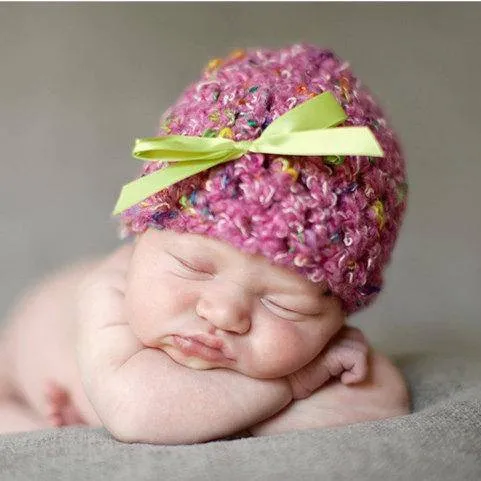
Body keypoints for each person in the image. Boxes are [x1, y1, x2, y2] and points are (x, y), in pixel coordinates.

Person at [0, 44, 410, 443]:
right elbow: (141, 413)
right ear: (144, 238)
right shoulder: (110, 292)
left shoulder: (323, 348)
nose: (223, 312)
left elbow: (382, 401)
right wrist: (295, 384)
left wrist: (240, 410)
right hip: (18, 364)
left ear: (338, 315)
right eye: (193, 266)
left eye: (282, 303)